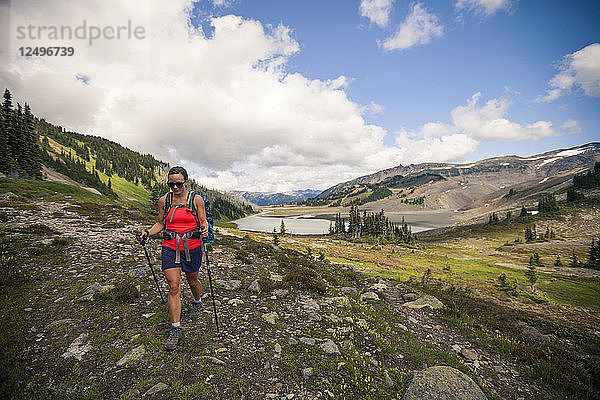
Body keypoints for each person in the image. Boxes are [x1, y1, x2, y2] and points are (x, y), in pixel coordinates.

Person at [137, 166, 209, 350]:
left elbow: (203, 222)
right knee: (174, 286)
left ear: (186, 181)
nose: (175, 187)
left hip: (192, 247)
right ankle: (176, 328)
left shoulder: (196, 199)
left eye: (178, 183)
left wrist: (205, 230)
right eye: (171, 184)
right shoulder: (164, 200)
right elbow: (161, 223)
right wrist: (147, 232)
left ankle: (197, 301)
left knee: (193, 282)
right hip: (170, 246)